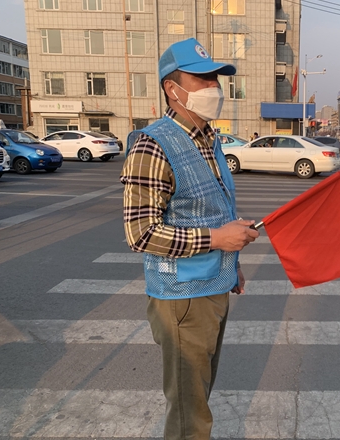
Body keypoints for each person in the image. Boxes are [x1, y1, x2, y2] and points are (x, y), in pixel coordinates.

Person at [120, 38, 259, 440]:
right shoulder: (153, 145)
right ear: (172, 88)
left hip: (213, 286)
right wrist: (217, 238)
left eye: (216, 78)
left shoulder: (209, 139)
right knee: (189, 413)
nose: (214, 87)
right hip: (182, 299)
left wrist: (232, 260)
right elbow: (140, 233)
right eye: (202, 79)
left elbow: (211, 211)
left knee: (199, 395)